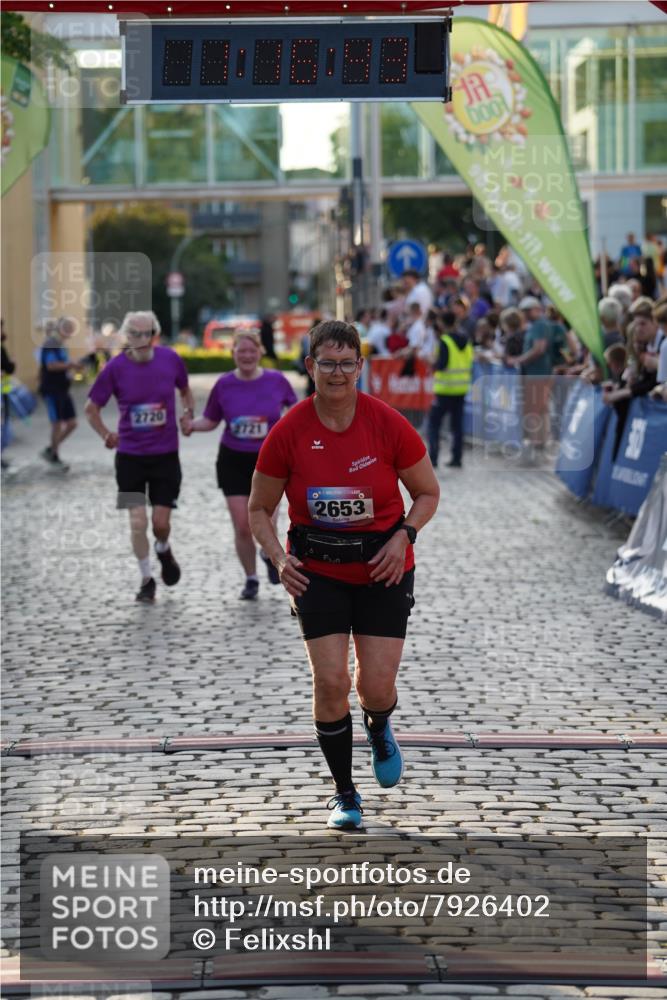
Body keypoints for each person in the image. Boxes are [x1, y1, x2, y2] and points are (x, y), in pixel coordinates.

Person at [248, 320, 440, 830]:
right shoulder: (289, 431)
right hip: (317, 571)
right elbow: (259, 509)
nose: (337, 373)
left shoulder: (387, 423)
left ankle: (379, 725)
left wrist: (405, 535)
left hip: (384, 566)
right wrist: (279, 560)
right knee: (330, 679)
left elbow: (428, 492)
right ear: (310, 367)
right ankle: (344, 793)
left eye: (346, 363)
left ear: (361, 367)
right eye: (326, 363)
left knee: (374, 686)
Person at [85, 311, 194, 603]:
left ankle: (163, 547)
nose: (142, 340)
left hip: (165, 456)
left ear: (155, 335)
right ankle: (147, 579)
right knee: (136, 522)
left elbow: (185, 390)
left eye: (148, 334)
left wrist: (187, 414)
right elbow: (90, 408)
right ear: (126, 336)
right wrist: (105, 434)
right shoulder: (114, 368)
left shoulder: (171, 359)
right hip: (129, 458)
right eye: (135, 334)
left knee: (159, 522)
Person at [182, 329, 297, 600]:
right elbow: (210, 419)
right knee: (243, 525)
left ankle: (267, 553)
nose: (246, 356)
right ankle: (251, 578)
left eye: (251, 350)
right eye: (241, 351)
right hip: (233, 459)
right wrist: (191, 426)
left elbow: (296, 413)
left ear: (260, 352)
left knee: (267, 522)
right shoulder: (223, 385)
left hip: (269, 461)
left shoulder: (277, 381)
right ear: (233, 353)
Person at [427, 310, 474, 470]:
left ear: (442, 323)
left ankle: (433, 458)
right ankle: (457, 458)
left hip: (445, 389)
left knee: (434, 424)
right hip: (461, 389)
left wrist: (433, 362)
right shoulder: (466, 340)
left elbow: (442, 364)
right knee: (457, 426)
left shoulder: (445, 341)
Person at [507, 296, 553, 451]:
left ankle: (536, 441)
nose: (525, 314)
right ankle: (539, 440)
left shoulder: (540, 325)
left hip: (538, 373)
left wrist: (519, 360)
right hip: (535, 372)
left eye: (527, 311)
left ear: (536, 309)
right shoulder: (535, 325)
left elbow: (539, 349)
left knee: (535, 407)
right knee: (540, 407)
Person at [39, 317, 82, 471]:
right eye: (68, 328)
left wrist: (72, 366)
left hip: (63, 389)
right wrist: (70, 365)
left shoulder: (61, 345)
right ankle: (54, 456)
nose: (70, 332)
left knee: (72, 423)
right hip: (52, 389)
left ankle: (51, 449)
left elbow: (61, 364)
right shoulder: (51, 343)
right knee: (56, 424)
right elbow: (51, 366)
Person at [1, 320, 16, 470]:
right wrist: (12, 363)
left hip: (3, 391)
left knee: (3, 424)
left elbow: (8, 369)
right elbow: (9, 368)